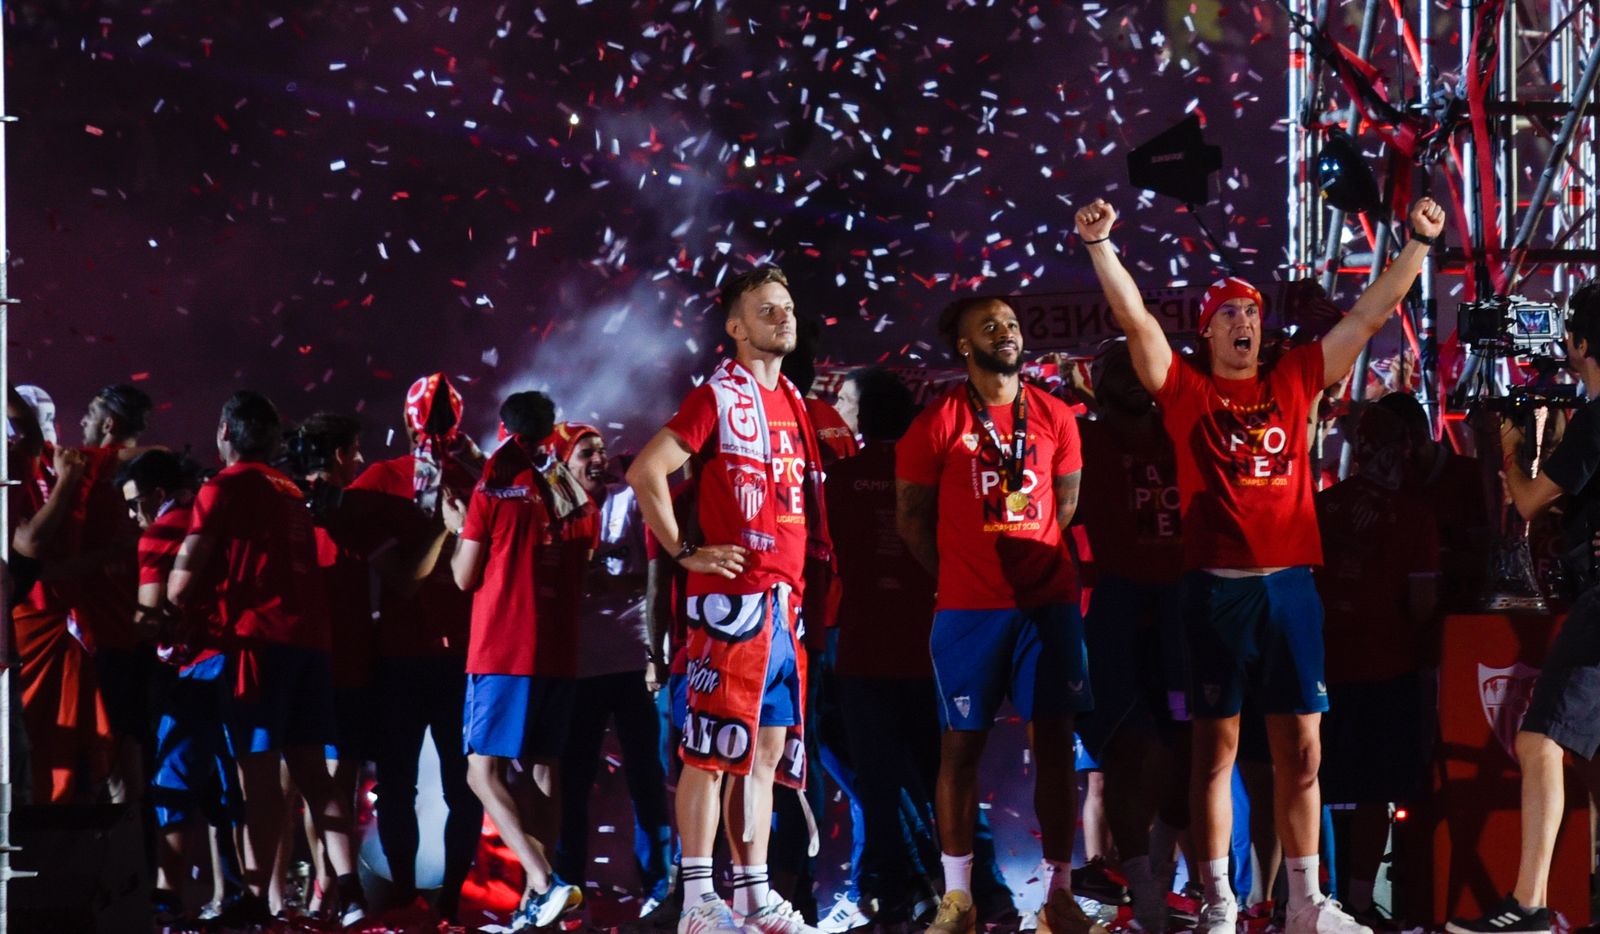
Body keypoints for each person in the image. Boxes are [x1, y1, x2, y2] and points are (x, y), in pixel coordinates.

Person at [1075, 195, 1446, 934]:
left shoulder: (1297, 378)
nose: (1245, 323)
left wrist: (1417, 244)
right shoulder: (1184, 392)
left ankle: (1305, 904)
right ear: (1206, 332)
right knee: (1215, 754)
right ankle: (1219, 903)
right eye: (1229, 315)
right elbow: (1137, 324)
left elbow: (1367, 318)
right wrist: (1101, 248)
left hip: (1292, 593)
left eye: (1252, 312)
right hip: (1215, 595)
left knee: (1301, 753)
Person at [626, 264, 832, 934]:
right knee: (712, 752)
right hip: (731, 605)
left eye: (788, 306)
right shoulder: (720, 394)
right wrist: (686, 551)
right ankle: (695, 900)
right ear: (735, 328)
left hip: (783, 604)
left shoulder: (796, 404)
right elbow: (646, 470)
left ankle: (751, 893)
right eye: (766, 310)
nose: (783, 318)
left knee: (765, 755)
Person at [894, 296, 1095, 934]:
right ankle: (959, 901)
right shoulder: (935, 424)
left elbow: (1063, 509)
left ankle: (1058, 896)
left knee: (1057, 751)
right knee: (959, 751)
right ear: (963, 345)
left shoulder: (1057, 414)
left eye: (1011, 324)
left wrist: (1025, 567)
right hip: (968, 611)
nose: (1006, 333)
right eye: (991, 327)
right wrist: (964, 573)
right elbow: (911, 522)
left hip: (1047, 606)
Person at [168, 390, 366, 928]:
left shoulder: (223, 486)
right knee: (312, 773)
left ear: (226, 433)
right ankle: (348, 890)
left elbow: (182, 581)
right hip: (309, 644)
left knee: (256, 776)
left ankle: (256, 897)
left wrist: (171, 597)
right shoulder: (288, 489)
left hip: (257, 643)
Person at [826, 367, 1009, 929]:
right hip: (931, 650)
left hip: (861, 652)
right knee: (950, 779)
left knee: (879, 790)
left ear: (861, 418)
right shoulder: (938, 475)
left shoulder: (837, 479)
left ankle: (889, 900)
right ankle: (988, 893)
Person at [1446, 280, 1600, 934]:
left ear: (1580, 344)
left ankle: (1529, 905)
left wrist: (1511, 444)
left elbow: (1532, 500)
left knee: (1539, 740)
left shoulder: (1597, 415)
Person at [346, 373, 484, 921]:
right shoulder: (379, 482)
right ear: (409, 423)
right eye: (433, 424)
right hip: (403, 655)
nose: (437, 434)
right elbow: (400, 579)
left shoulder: (475, 480)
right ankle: (406, 890)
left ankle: (447, 895)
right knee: (399, 782)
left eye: (445, 425)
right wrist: (446, 531)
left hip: (459, 657)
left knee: (464, 786)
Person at [451, 391, 588, 929]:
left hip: (504, 647)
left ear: (505, 428)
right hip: (558, 650)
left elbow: (464, 576)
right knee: (542, 767)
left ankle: (544, 879)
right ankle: (543, 905)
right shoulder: (571, 491)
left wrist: (453, 524)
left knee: (479, 773)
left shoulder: (494, 485)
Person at [1074, 341, 1192, 933]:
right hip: (1115, 606)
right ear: (1094, 383)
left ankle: (1165, 868)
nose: (1128, 378)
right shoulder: (1084, 440)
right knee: (1126, 751)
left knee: (1189, 752)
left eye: (1134, 366)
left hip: (1181, 605)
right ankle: (1144, 894)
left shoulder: (1183, 430)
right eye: (1113, 370)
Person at [1315, 403, 1439, 927]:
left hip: (1323, 670)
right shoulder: (1416, 516)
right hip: (1388, 669)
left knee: (1311, 787)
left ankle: (1309, 897)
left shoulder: (1323, 507)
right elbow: (1423, 605)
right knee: (1373, 794)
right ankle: (1360, 905)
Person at [551, 422, 675, 914]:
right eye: (586, 452)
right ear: (564, 462)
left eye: (602, 449)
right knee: (574, 782)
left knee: (647, 776)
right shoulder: (555, 509)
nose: (598, 459)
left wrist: (654, 653)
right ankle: (568, 889)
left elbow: (653, 574)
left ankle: (659, 890)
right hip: (576, 669)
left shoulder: (628, 503)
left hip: (630, 661)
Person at [121, 449, 238, 924]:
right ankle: (238, 895)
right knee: (232, 788)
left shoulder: (161, 532)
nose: (132, 514)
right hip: (243, 662)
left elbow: (150, 620)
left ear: (157, 495)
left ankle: (168, 895)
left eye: (134, 503)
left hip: (193, 671)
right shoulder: (220, 518)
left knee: (174, 781)